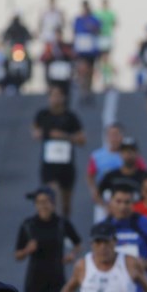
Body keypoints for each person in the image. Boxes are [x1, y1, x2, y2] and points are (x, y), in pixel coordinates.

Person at [15, 186, 82, 292]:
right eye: (39, 202)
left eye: (46, 202)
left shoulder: (61, 223)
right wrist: (26, 250)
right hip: (35, 282)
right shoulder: (28, 225)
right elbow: (17, 255)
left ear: (53, 203)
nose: (42, 206)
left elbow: (78, 243)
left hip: (56, 280)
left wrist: (71, 255)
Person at [33, 86, 86, 218]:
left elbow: (82, 139)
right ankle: (54, 228)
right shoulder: (42, 115)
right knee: (51, 196)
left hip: (66, 165)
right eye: (53, 96)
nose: (55, 99)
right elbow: (35, 133)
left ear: (64, 98)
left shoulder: (71, 117)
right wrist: (47, 134)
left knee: (66, 204)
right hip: (49, 165)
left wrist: (64, 136)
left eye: (58, 96)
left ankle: (65, 226)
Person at [87, 123, 147, 222]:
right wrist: (106, 206)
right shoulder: (111, 175)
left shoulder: (144, 176)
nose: (129, 155)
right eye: (126, 152)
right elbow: (92, 180)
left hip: (137, 216)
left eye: (131, 151)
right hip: (113, 216)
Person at [73, 0, 102, 103]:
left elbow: (98, 30)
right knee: (82, 70)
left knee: (90, 71)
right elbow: (75, 33)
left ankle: (88, 90)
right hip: (82, 50)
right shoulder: (78, 19)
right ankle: (83, 90)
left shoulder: (94, 19)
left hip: (91, 50)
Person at [40, 27, 76, 97]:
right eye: (56, 35)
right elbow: (43, 58)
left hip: (64, 75)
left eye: (59, 35)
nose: (57, 37)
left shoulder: (66, 46)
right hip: (54, 76)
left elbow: (73, 56)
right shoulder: (50, 47)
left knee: (65, 93)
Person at [95, 0, 118, 88]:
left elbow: (114, 23)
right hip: (100, 37)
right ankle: (104, 79)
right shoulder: (97, 13)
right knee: (102, 59)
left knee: (106, 58)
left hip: (107, 37)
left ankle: (108, 79)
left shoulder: (111, 13)